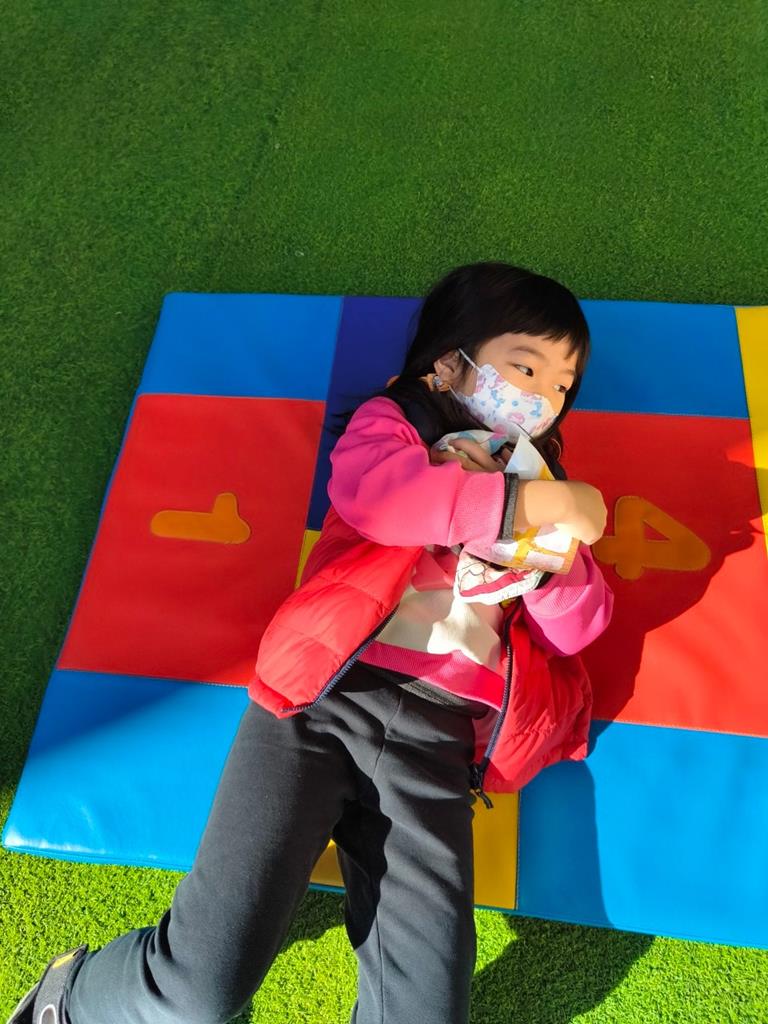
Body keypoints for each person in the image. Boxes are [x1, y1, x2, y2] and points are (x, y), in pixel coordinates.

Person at [8, 261, 613, 1024]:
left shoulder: (540, 476)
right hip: (322, 701)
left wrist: (556, 552)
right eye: (525, 368)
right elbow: (380, 499)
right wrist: (526, 505)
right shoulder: (398, 426)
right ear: (448, 362)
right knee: (198, 991)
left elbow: (580, 628)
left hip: (440, 743)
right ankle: (71, 994)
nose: (543, 398)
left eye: (562, 385)